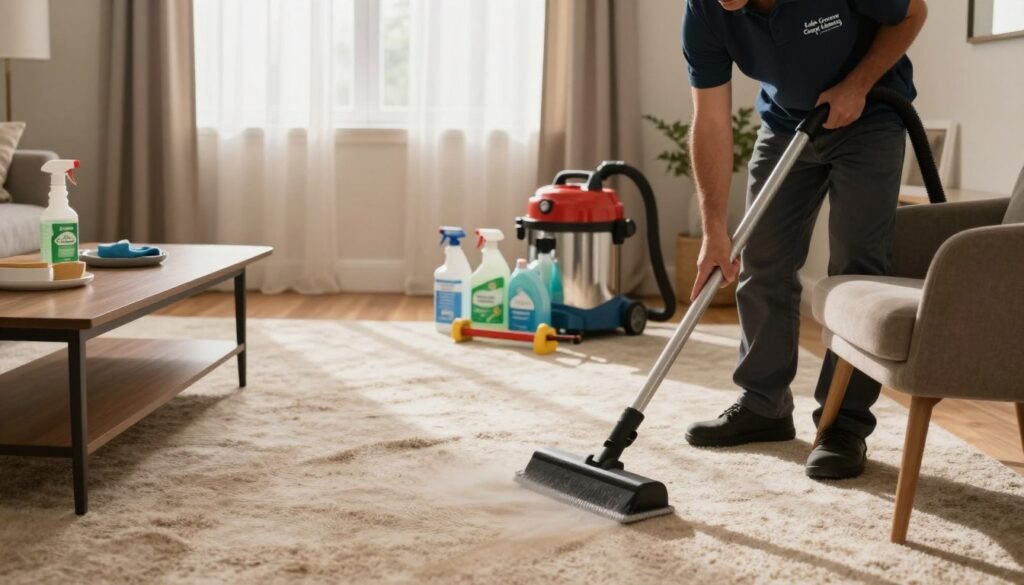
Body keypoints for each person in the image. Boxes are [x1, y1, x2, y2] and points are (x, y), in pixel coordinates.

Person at [681, 0, 928, 479]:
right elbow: (709, 120)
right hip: (786, 127)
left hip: (870, 118)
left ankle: (843, 425)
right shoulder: (705, 12)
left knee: (857, 273)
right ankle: (763, 405)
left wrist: (857, 85)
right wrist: (714, 227)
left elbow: (913, 12)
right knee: (762, 260)